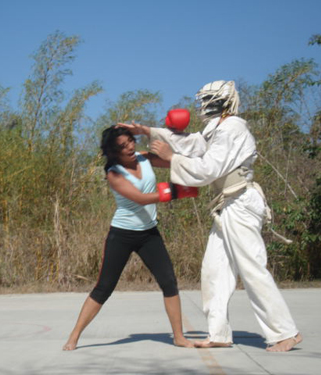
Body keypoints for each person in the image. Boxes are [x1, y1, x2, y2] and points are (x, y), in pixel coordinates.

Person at [118, 80, 302, 352]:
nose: (202, 105)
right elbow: (193, 144)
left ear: (219, 101)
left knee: (251, 267)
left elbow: (207, 169)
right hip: (226, 204)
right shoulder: (216, 128)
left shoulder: (232, 129)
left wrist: (172, 157)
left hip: (240, 202)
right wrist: (148, 131)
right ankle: (219, 334)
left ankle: (285, 332)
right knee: (214, 271)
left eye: (207, 99)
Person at [62, 126, 196, 351]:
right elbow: (141, 199)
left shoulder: (144, 159)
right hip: (122, 235)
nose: (131, 147)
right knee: (104, 287)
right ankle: (74, 336)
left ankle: (179, 337)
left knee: (169, 281)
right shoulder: (114, 173)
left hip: (149, 233)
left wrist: (161, 137)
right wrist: (176, 192)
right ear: (114, 151)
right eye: (123, 146)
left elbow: (177, 161)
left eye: (131, 141)